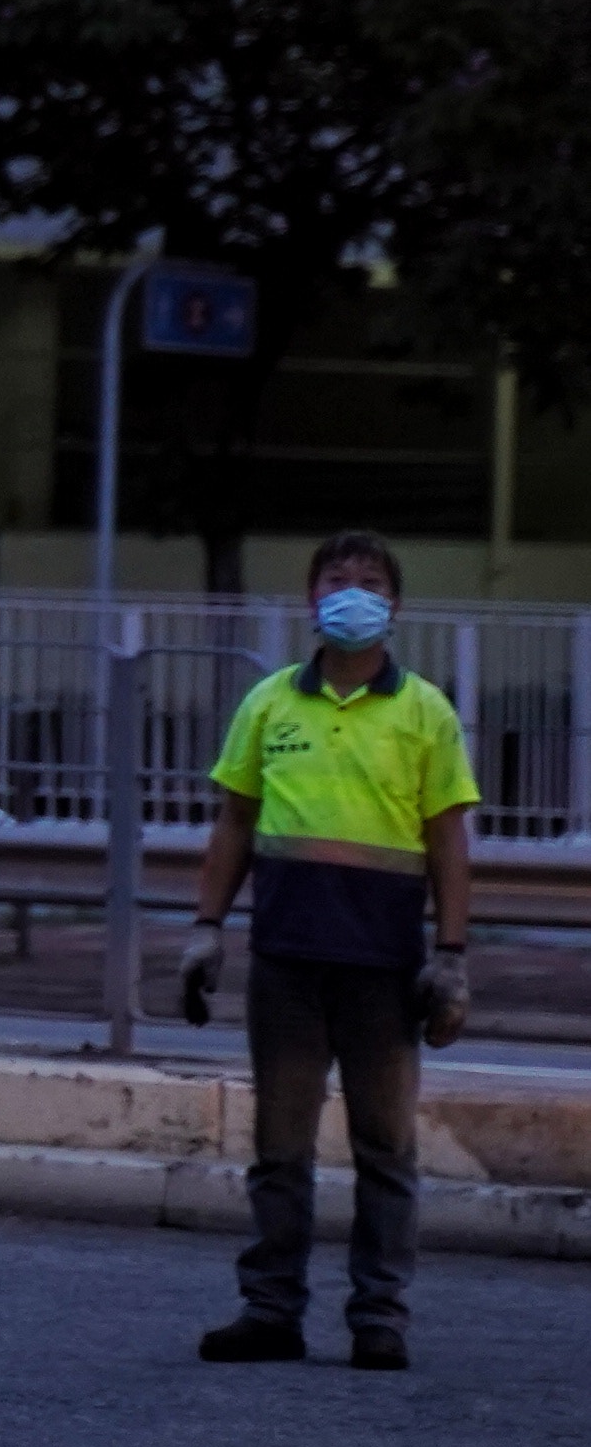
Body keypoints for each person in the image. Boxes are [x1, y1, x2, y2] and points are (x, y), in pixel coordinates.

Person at [186, 530, 479, 1372]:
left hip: (385, 968)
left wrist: (451, 953)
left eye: (370, 580)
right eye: (336, 579)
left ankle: (379, 1317)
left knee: (386, 1149)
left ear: (395, 604)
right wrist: (206, 930)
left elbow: (447, 837)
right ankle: (271, 1310)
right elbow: (234, 822)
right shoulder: (271, 702)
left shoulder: (424, 710)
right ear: (312, 599)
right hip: (285, 958)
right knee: (280, 1149)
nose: (352, 591)